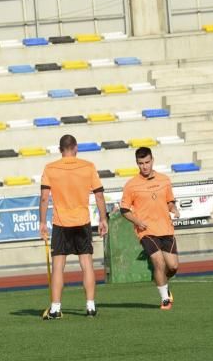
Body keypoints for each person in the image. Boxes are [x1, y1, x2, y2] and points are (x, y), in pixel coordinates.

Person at [38, 134, 109, 319]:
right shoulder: (88, 166)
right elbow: (99, 196)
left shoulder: (50, 168)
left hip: (61, 223)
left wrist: (42, 222)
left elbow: (45, 197)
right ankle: (91, 306)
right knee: (86, 264)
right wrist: (103, 219)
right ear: (75, 147)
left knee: (58, 267)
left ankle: (55, 308)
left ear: (60, 149)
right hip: (82, 221)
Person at [119, 147, 180, 310]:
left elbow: (170, 201)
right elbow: (124, 210)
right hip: (146, 231)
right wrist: (138, 222)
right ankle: (165, 299)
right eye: (141, 163)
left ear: (152, 160)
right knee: (158, 263)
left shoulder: (164, 180)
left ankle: (162, 282)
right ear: (137, 164)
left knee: (173, 266)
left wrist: (173, 208)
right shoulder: (131, 185)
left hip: (166, 229)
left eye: (147, 162)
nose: (144, 166)